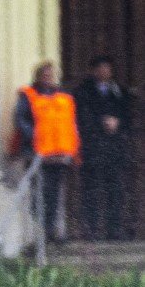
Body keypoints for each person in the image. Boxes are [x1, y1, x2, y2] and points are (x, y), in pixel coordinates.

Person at [15, 60, 82, 243]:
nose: (48, 79)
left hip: (59, 155)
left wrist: (74, 149)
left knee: (55, 194)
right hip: (37, 154)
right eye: (44, 75)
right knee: (39, 194)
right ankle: (42, 232)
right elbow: (21, 120)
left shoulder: (64, 97)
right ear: (37, 76)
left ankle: (53, 231)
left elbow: (71, 123)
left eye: (51, 75)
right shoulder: (28, 95)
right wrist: (34, 136)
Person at [75, 55, 131, 240]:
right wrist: (101, 123)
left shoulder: (119, 91)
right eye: (100, 68)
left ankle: (114, 229)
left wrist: (118, 122)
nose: (104, 71)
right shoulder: (83, 91)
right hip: (92, 147)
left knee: (114, 189)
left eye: (107, 68)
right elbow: (81, 117)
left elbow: (129, 115)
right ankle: (91, 230)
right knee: (91, 188)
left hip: (114, 149)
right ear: (93, 70)